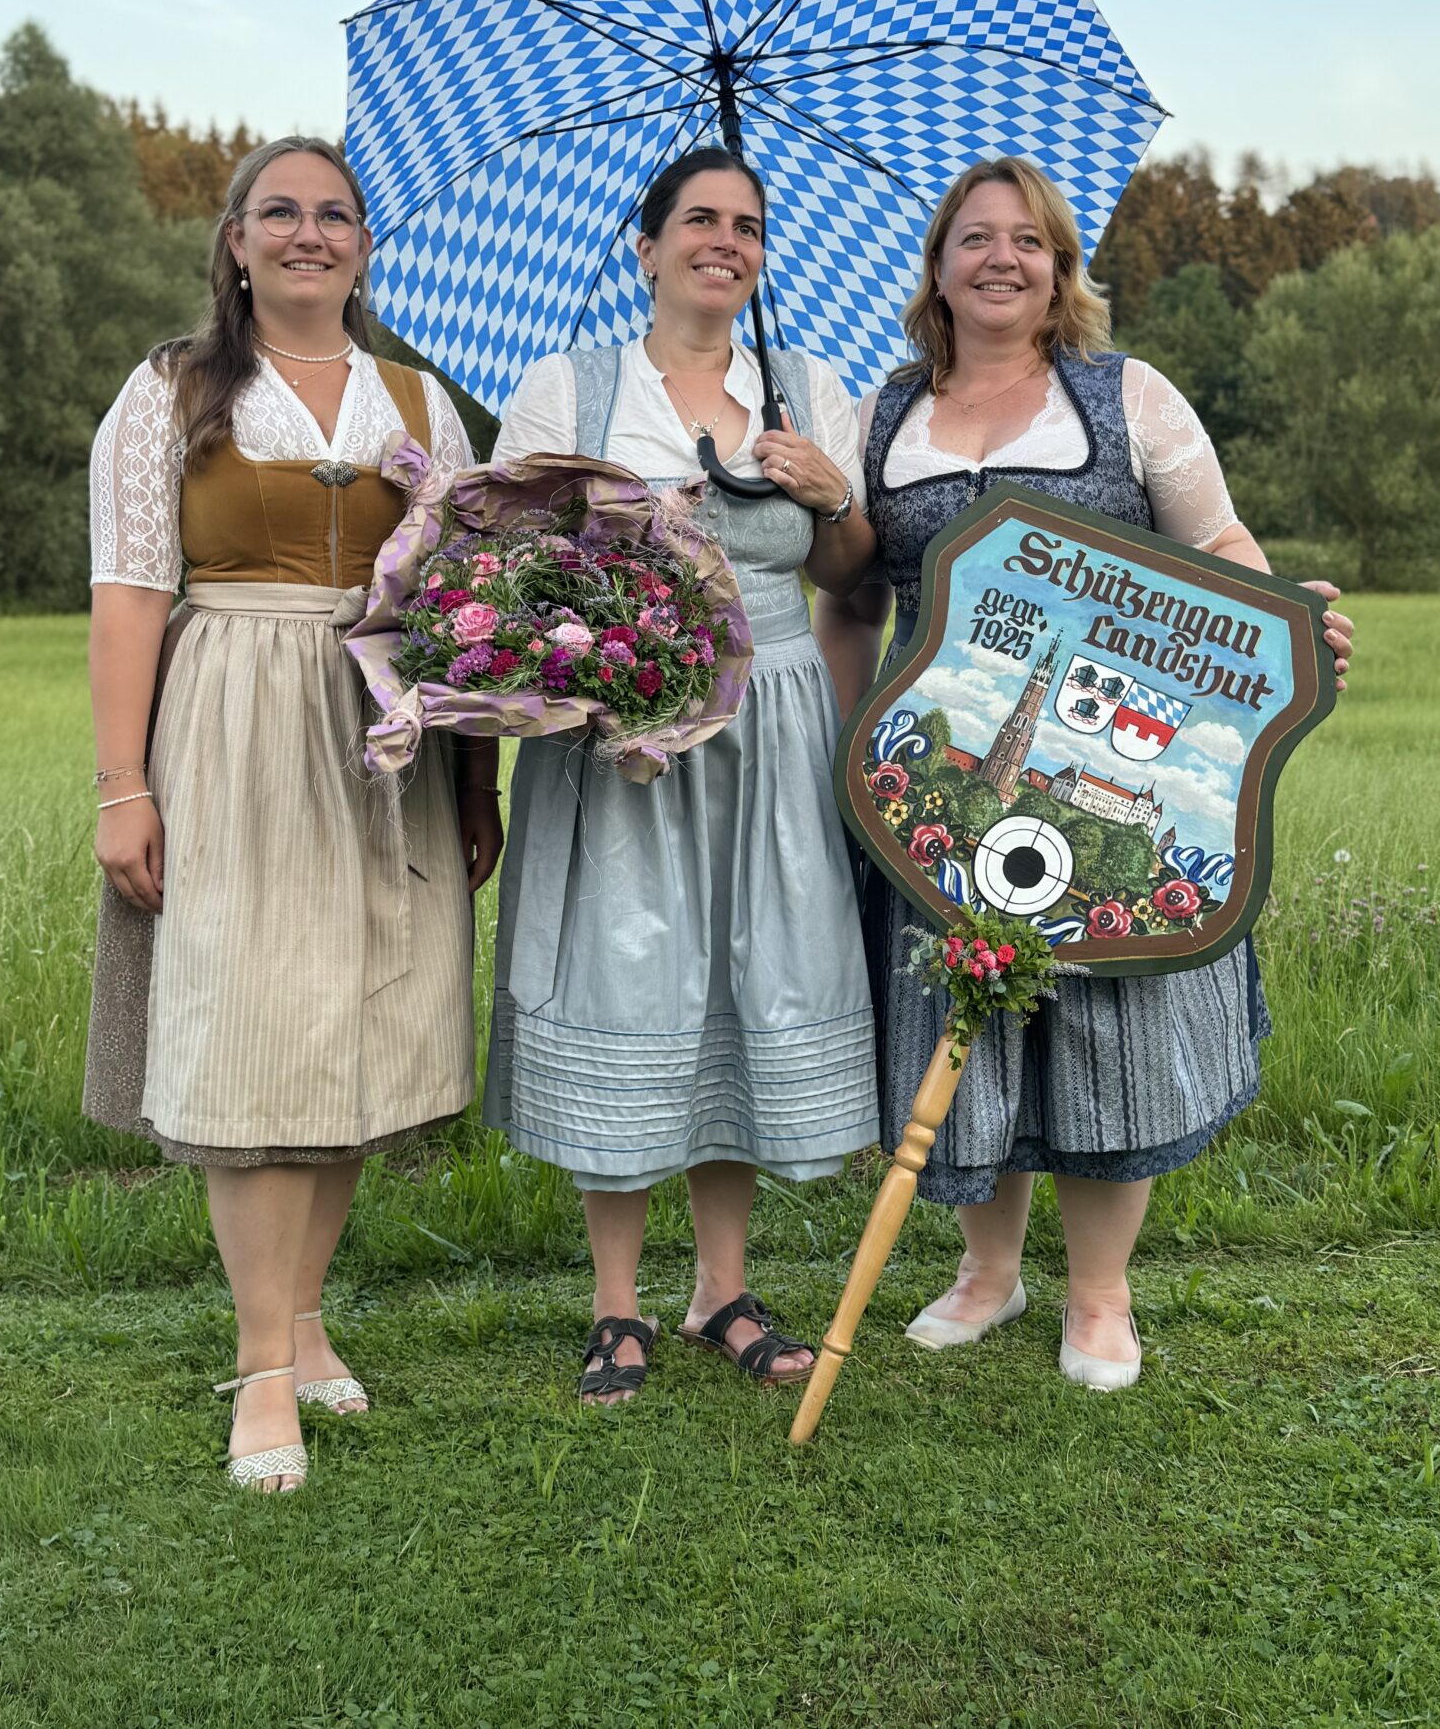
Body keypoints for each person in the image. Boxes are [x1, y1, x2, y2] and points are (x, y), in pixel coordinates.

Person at [816, 157, 1353, 1391]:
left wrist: (1281, 625)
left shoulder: (1125, 397)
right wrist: (859, 749)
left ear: (1060, 268)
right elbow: (847, 594)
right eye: (974, 239)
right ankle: (988, 1274)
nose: (1000, 259)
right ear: (938, 266)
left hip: (1109, 757)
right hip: (936, 787)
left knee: (1106, 1008)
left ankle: (1100, 1298)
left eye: (1028, 242)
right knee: (964, 1012)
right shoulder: (881, 413)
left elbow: (1212, 543)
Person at [84, 136, 502, 1490]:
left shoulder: (422, 402)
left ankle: (306, 1320)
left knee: (354, 1022)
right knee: (254, 1021)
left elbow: (464, 609)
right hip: (235, 718)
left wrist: (475, 773)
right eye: (282, 212)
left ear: (365, 245)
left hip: (383, 735)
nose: (309, 233)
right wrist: (123, 786)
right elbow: (131, 593)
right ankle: (262, 1365)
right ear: (238, 241)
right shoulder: (169, 391)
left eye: (334, 214)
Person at [485, 146, 880, 1404]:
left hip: (770, 715)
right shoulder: (569, 388)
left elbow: (852, 579)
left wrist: (832, 498)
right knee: (630, 978)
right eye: (699, 221)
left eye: (747, 226)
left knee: (740, 978)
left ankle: (720, 1290)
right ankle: (615, 1306)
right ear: (645, 247)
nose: (727, 241)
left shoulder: (808, 387)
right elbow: (508, 557)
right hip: (622, 728)